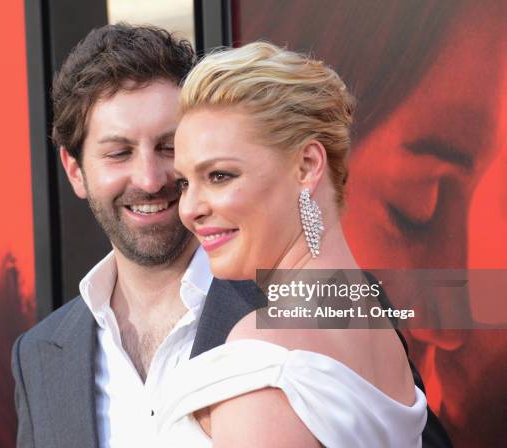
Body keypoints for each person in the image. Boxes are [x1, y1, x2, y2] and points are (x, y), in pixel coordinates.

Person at [11, 24, 449, 448]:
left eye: (169, 149)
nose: (149, 179)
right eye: (119, 152)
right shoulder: (39, 357)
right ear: (75, 171)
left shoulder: (329, 301)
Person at [161, 41, 425, 447]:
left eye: (219, 176)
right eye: (184, 183)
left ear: (307, 166)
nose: (189, 208)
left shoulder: (265, 363)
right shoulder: (373, 321)